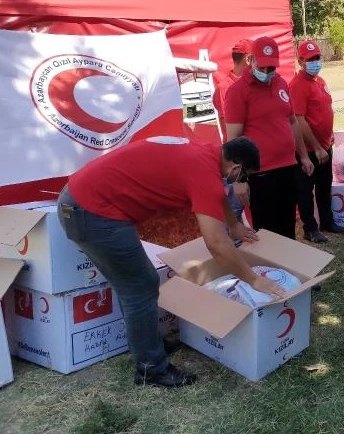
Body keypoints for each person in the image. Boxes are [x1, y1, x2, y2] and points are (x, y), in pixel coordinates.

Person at [56, 136, 286, 388]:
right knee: (140, 286)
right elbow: (217, 245)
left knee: (133, 284)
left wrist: (234, 225)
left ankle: (148, 345)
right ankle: (151, 368)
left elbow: (219, 195)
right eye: (243, 177)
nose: (239, 182)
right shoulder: (204, 174)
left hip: (87, 200)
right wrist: (253, 280)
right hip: (91, 210)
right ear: (235, 167)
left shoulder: (209, 151)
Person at [225, 37, 314, 239]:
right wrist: (239, 179)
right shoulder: (238, 92)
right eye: (262, 67)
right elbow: (233, 141)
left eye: (271, 68)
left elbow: (292, 122)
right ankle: (270, 270)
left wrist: (304, 156)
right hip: (260, 174)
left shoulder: (281, 83)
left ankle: (288, 268)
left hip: (288, 168)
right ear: (251, 60)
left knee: (287, 227)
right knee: (267, 232)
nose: (266, 73)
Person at [289, 40, 344, 244]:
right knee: (305, 191)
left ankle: (327, 221)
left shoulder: (319, 81)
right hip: (309, 150)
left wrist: (327, 143)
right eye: (310, 59)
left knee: (324, 186)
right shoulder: (297, 86)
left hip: (324, 146)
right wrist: (317, 147)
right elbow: (299, 120)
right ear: (300, 61)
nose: (315, 62)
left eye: (317, 58)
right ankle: (310, 228)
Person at [212, 39, 252, 141]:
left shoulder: (252, 83)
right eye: (256, 58)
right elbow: (227, 127)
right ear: (248, 59)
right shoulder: (224, 88)